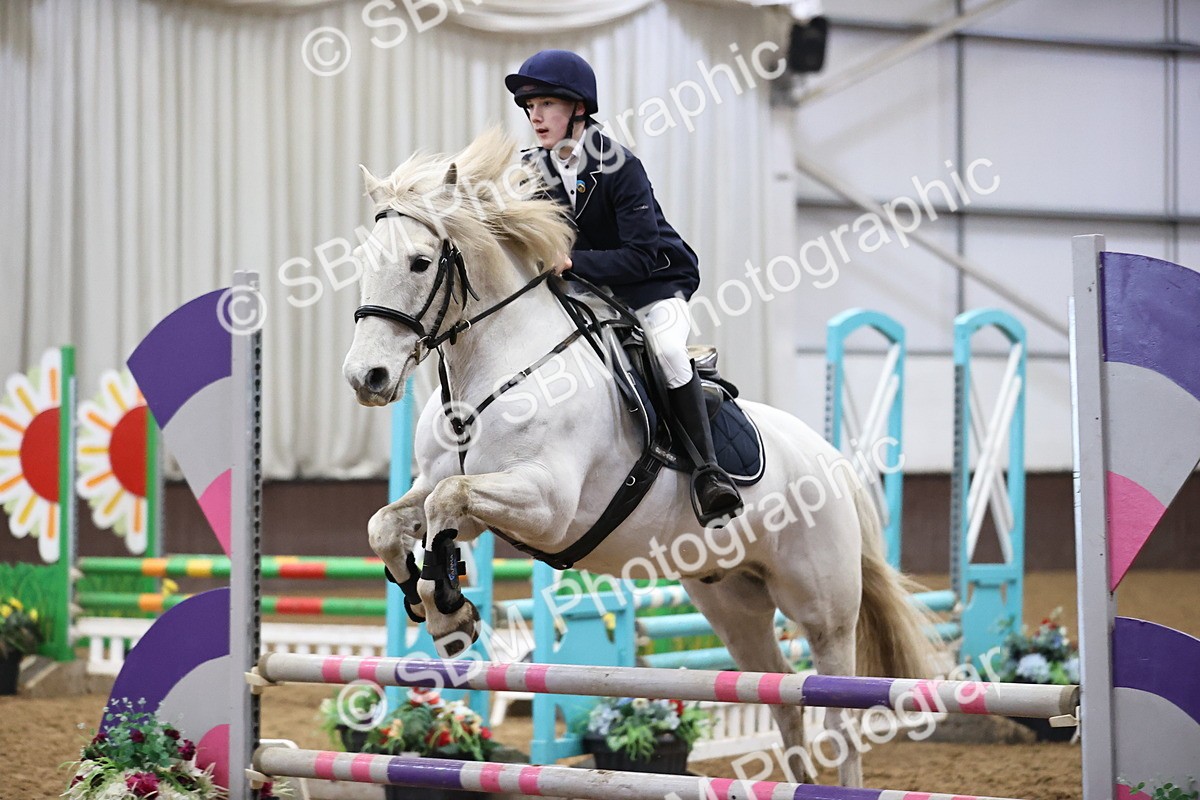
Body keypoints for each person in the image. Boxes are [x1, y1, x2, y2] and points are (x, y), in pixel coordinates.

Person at [505, 49, 743, 527]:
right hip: (587, 291)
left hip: (653, 285)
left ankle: (707, 473)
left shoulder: (619, 166)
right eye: (529, 106)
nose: (535, 115)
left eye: (546, 103)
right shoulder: (530, 168)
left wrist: (572, 262)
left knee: (671, 353)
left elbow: (642, 254)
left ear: (578, 108)